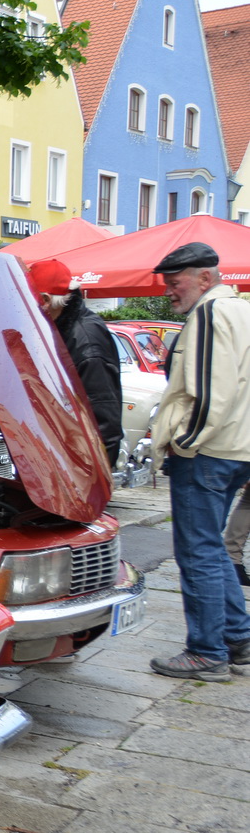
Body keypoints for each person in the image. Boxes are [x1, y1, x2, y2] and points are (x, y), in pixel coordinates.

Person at [146, 242, 250, 680]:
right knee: (210, 547)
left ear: (204, 278)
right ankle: (237, 638)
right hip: (235, 448)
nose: (170, 291)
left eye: (175, 282)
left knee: (198, 550)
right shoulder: (241, 310)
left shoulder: (209, 314)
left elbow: (212, 391)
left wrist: (184, 441)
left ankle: (207, 649)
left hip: (208, 451)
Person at [39, 288, 123, 466]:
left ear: (46, 300)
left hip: (82, 463)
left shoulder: (85, 341)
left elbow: (103, 417)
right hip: (68, 454)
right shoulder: (62, 327)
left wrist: (96, 477)